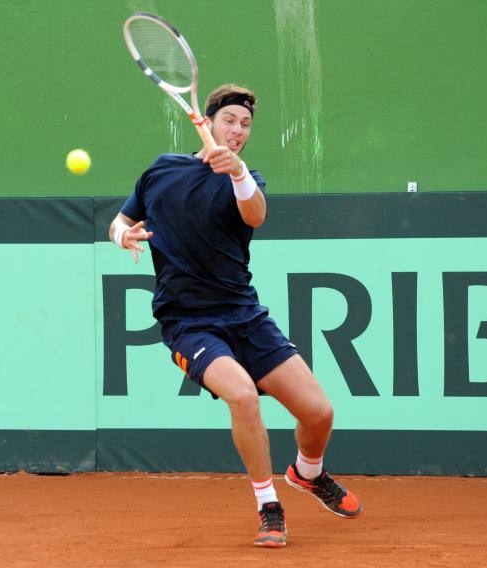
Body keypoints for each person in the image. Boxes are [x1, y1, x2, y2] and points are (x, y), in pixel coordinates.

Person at [109, 84, 361, 548]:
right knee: (243, 397)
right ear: (207, 122)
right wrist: (122, 235)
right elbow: (122, 220)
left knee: (319, 414)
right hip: (188, 324)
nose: (238, 130)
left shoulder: (246, 178)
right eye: (230, 120)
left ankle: (307, 474)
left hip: (245, 317)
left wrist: (239, 173)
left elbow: (256, 215)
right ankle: (269, 507)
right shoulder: (162, 170)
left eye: (245, 125)